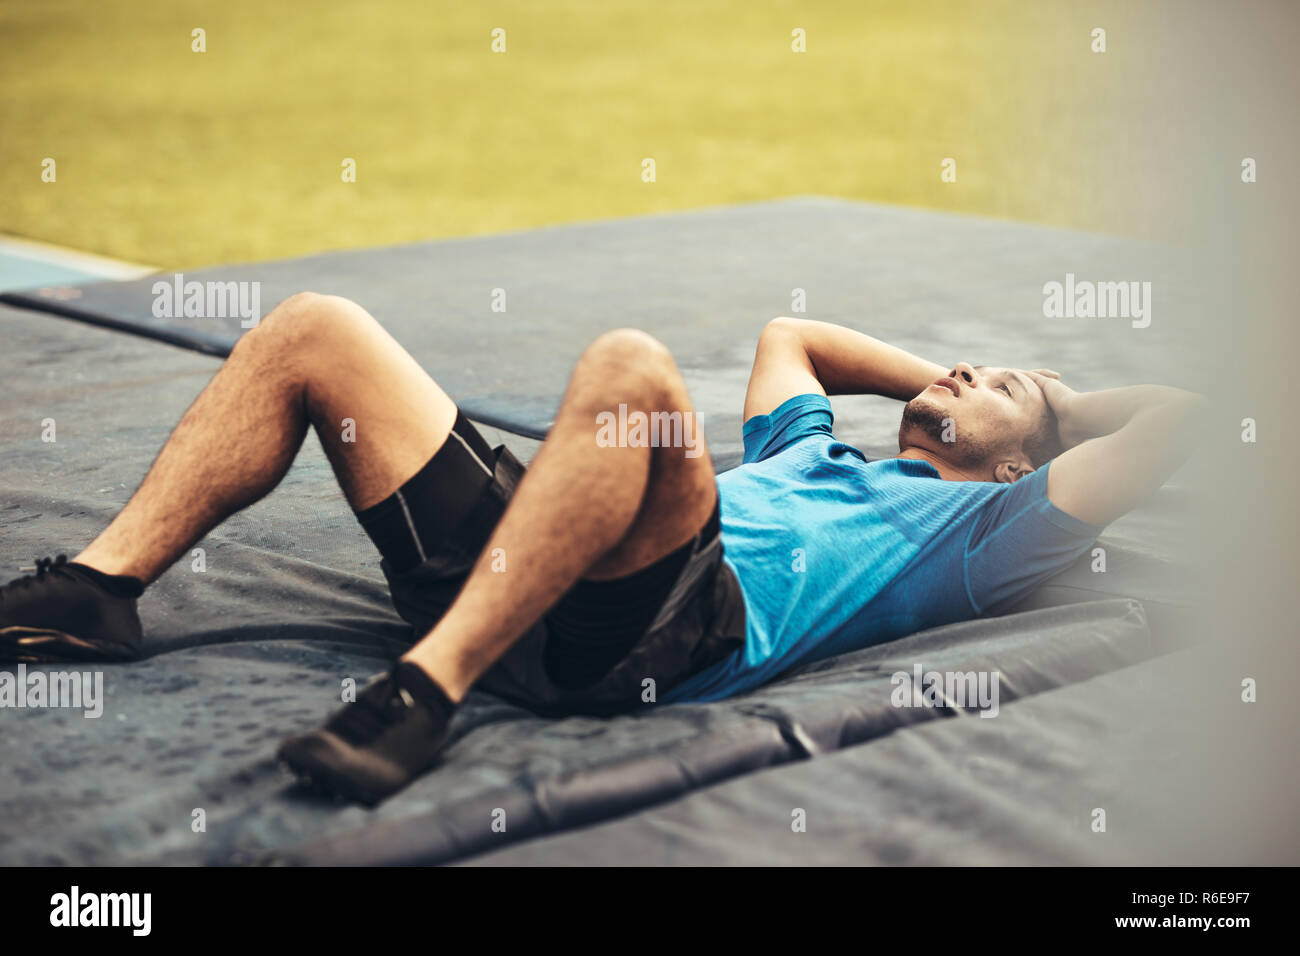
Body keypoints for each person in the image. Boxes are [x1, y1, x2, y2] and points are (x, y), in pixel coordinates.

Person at [0, 294, 1204, 805]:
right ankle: (103, 586)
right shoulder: (809, 449)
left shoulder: (985, 531)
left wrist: (1057, 402)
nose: (961, 370)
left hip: (653, 632)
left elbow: (1179, 419)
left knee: (633, 371)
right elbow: (794, 335)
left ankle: (428, 688)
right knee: (317, 329)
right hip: (550, 564)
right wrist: (962, 388)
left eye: (993, 384)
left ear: (1019, 469)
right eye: (966, 361)